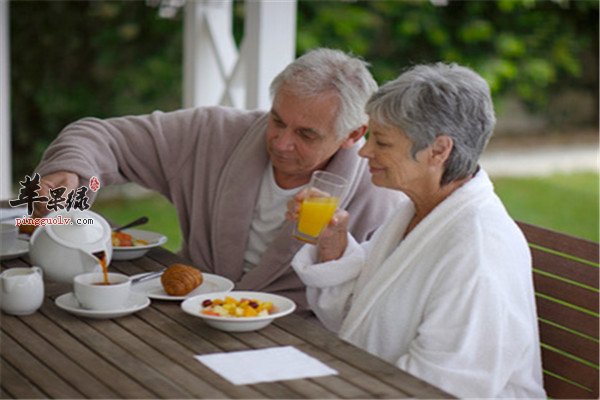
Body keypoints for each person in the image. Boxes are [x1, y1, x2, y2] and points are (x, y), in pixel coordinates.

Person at [32, 48, 407, 313]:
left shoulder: (381, 197)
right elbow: (100, 136)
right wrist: (68, 172)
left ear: (353, 135)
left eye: (306, 135)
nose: (281, 141)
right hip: (186, 312)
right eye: (277, 120)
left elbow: (366, 310)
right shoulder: (212, 133)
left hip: (296, 341)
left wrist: (333, 251)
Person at [287, 63, 546, 397]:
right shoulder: (418, 212)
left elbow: (445, 386)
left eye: (381, 141)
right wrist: (332, 243)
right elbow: (360, 318)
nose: (364, 151)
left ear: (438, 150)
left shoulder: (479, 251)